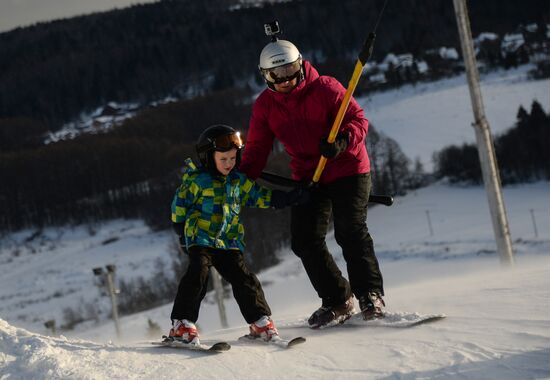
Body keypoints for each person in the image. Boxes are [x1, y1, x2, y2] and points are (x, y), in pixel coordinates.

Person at [239, 35, 385, 328]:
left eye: (290, 70)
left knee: (350, 231)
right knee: (305, 239)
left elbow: (358, 120)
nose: (285, 80)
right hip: (309, 175)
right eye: (276, 75)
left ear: (301, 65)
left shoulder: (326, 88)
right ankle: (337, 299)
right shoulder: (266, 106)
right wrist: (239, 176)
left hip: (347, 167)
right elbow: (256, 149)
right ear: (265, 76)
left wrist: (342, 142)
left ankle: (370, 294)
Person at [168, 124, 306, 344]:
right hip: (200, 238)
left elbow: (259, 196)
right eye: (223, 159)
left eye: (232, 158)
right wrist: (180, 232)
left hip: (228, 241)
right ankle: (182, 324)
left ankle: (260, 322)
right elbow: (179, 207)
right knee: (198, 274)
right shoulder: (196, 181)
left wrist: (289, 198)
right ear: (207, 157)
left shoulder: (237, 181)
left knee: (244, 278)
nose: (229, 164)